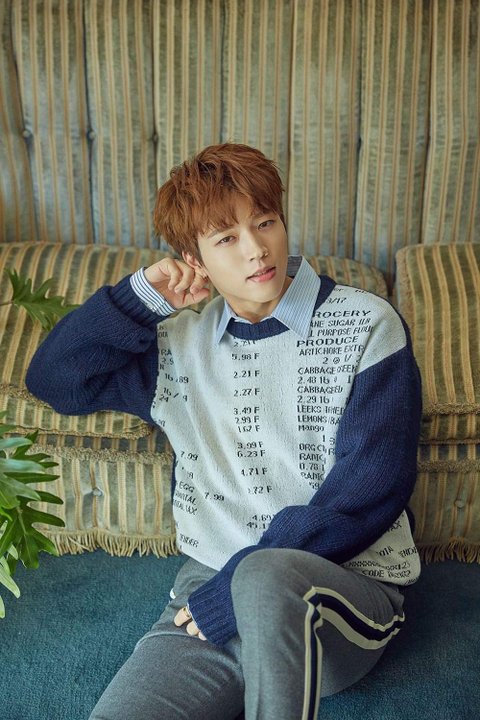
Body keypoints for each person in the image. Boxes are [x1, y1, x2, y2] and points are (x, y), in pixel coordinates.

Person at [26, 143, 422, 720]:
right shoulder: (178, 347)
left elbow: (373, 486)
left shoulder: (367, 323)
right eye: (226, 238)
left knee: (264, 575)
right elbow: (54, 380)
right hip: (208, 589)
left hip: (339, 593)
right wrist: (140, 299)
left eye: (265, 222)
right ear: (194, 257)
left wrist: (235, 588)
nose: (256, 249)